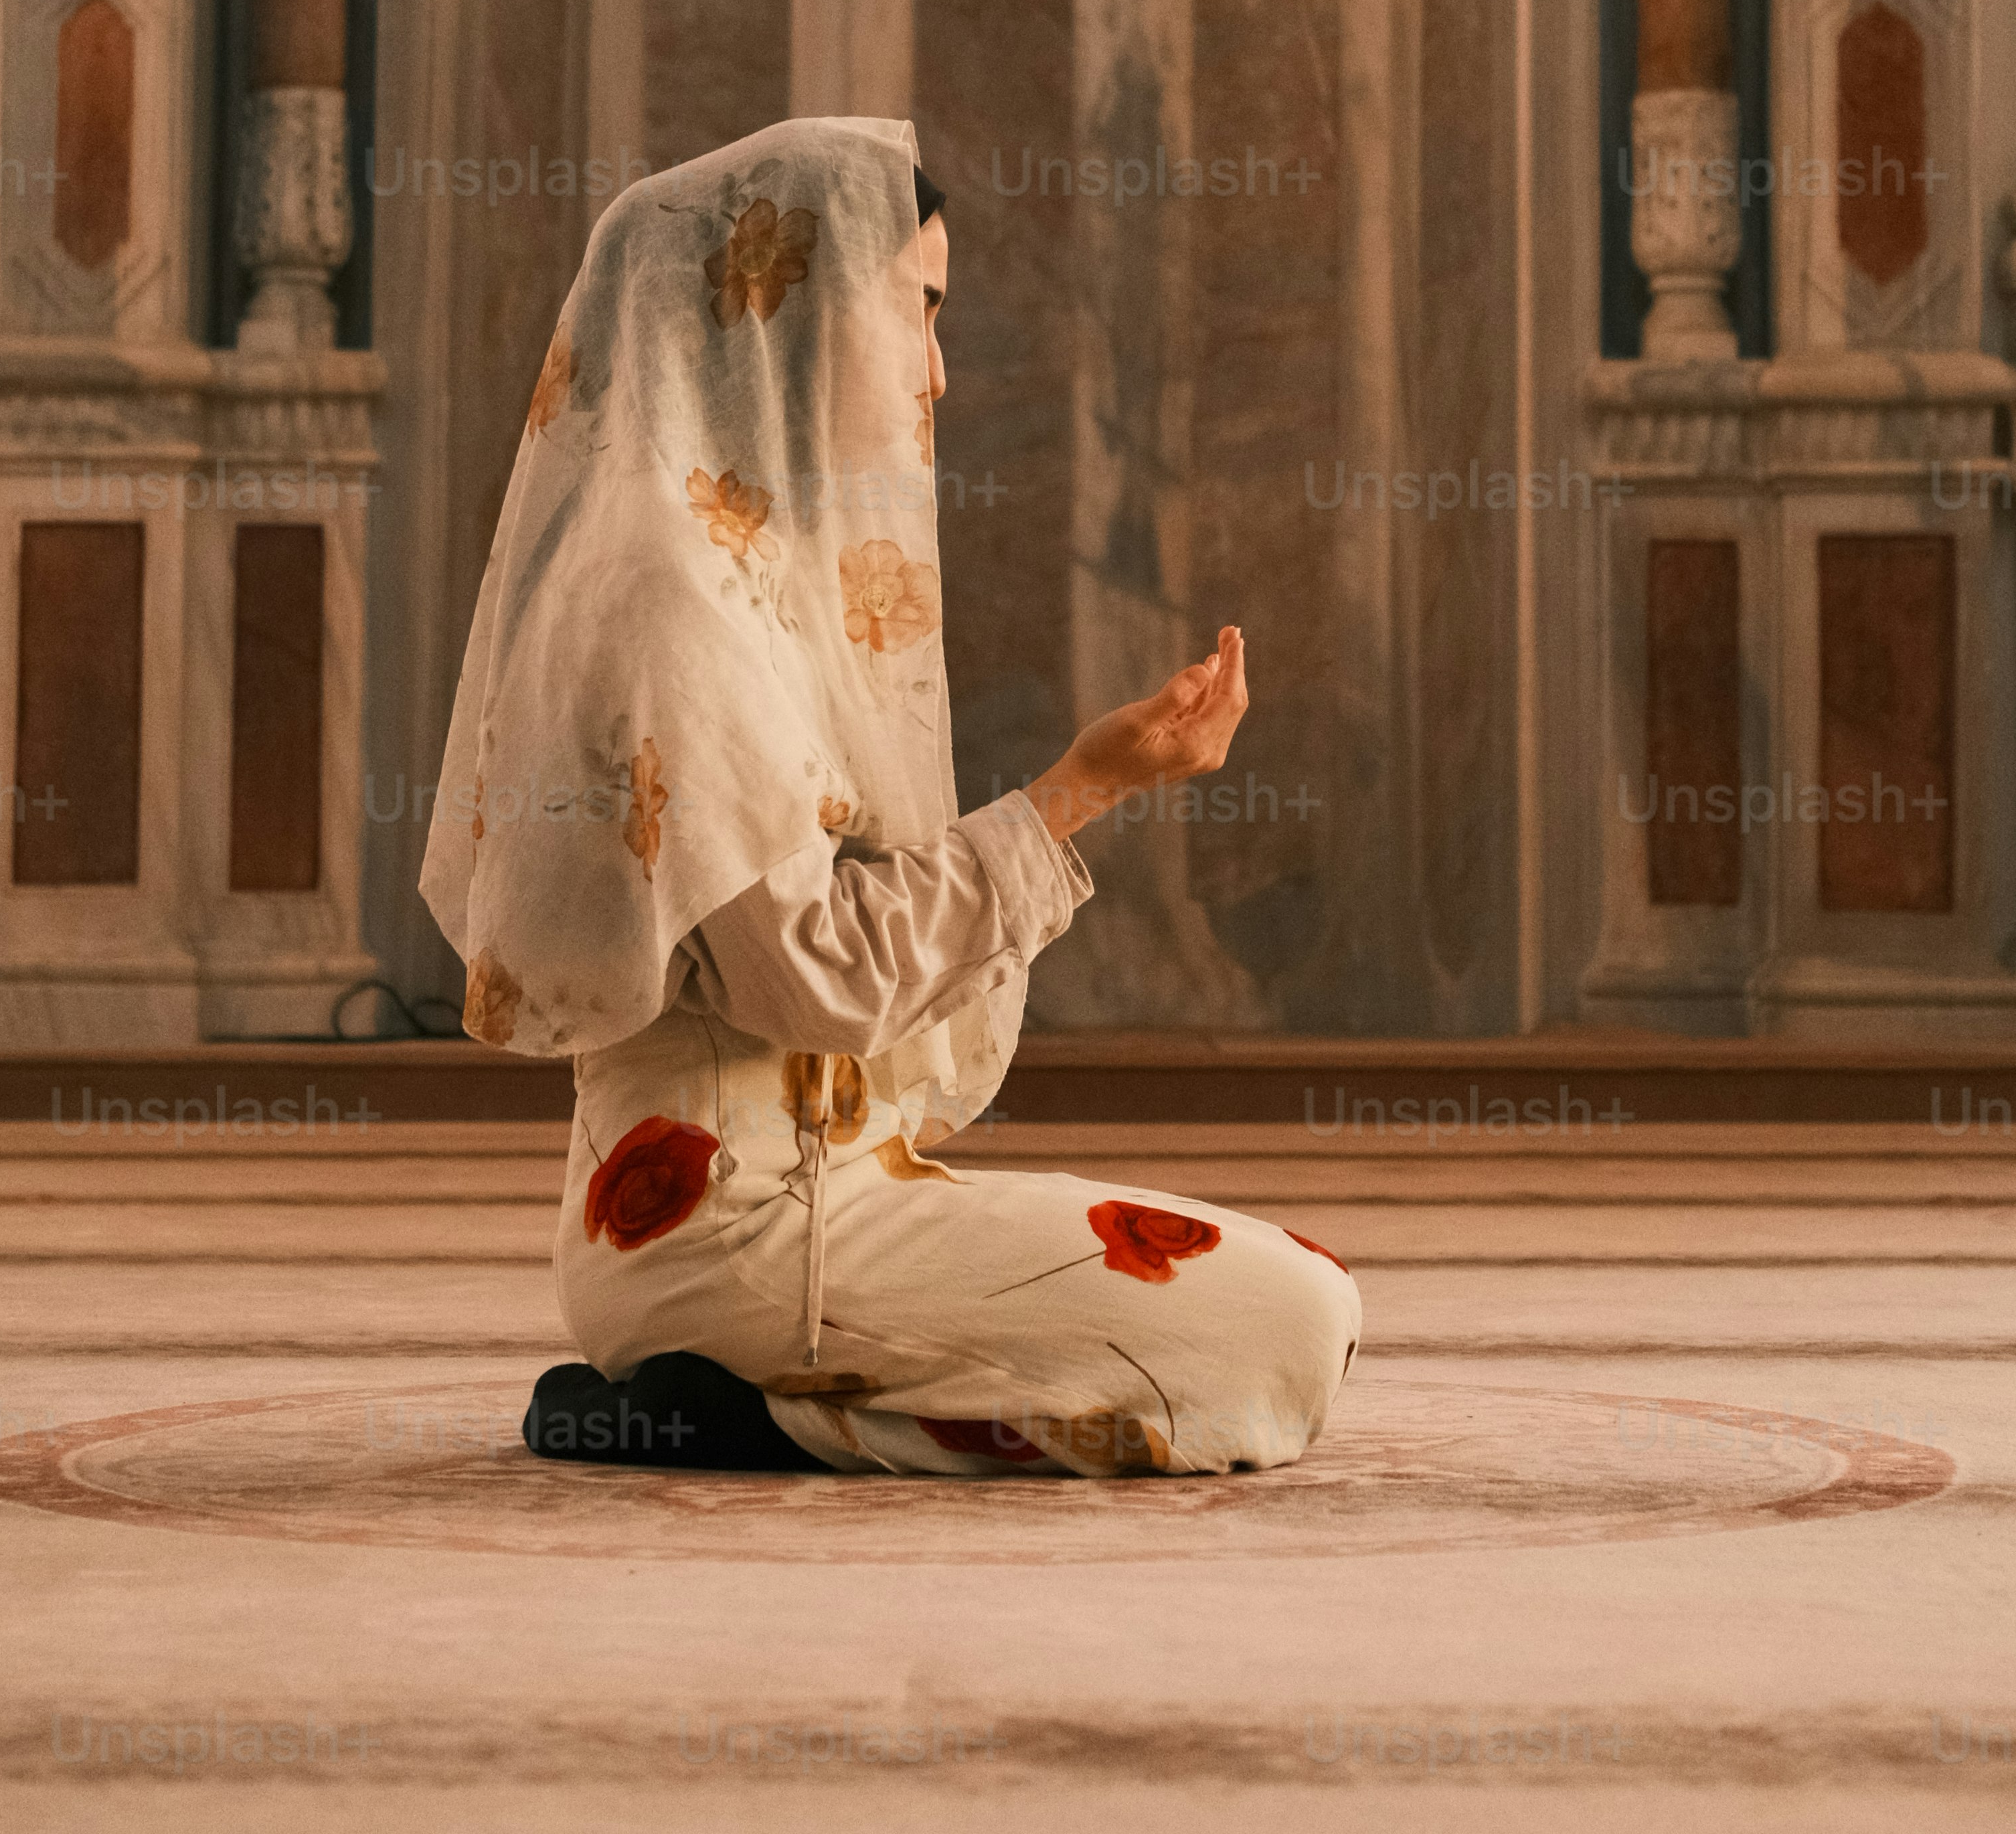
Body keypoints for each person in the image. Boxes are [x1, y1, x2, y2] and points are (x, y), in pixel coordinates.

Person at [420, 113, 1359, 1479]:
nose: (936, 371)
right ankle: (745, 1399)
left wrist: (1089, 791)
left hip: (815, 1196)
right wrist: (1082, 791)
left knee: (1286, 1296)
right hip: (735, 1239)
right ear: (777, 305)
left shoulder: (743, 569)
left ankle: (732, 1415)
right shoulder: (673, 603)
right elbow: (820, 986)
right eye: (912, 312)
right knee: (1285, 1316)